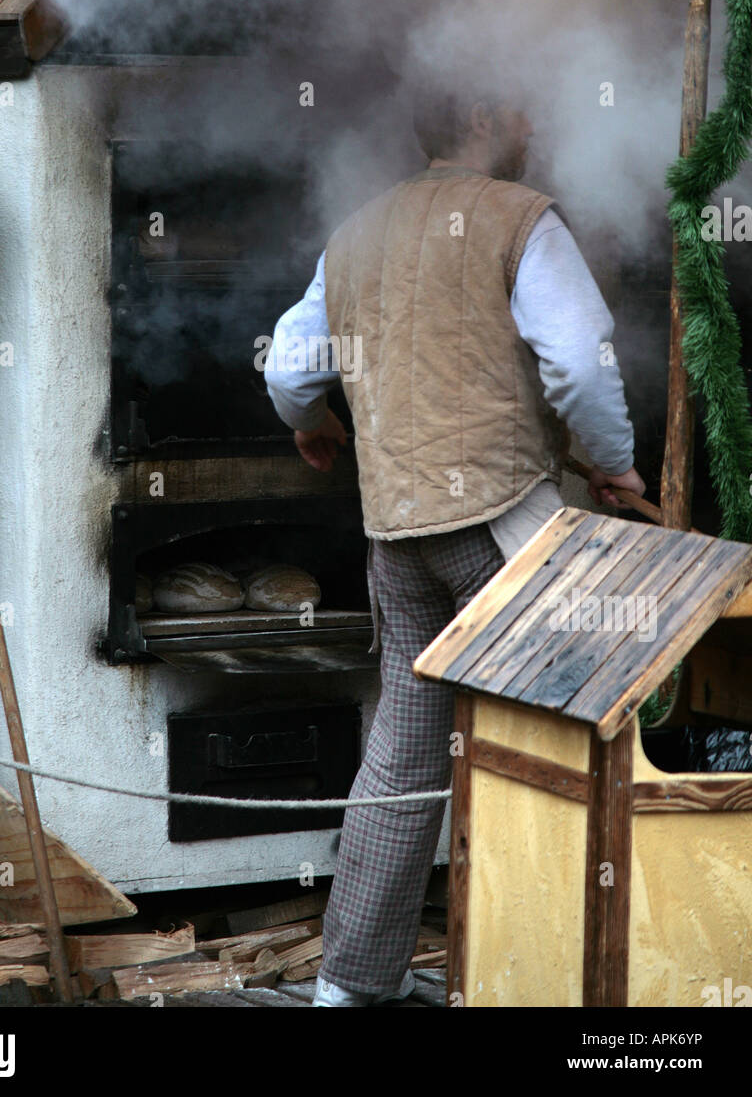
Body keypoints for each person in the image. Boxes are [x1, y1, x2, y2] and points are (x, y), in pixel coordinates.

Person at [263, 84, 645, 1007]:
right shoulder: (522, 218)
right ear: (479, 116)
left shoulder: (356, 231)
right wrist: (618, 466)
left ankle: (347, 989)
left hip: (397, 539)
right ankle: (561, 978)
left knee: (401, 755)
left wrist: (311, 422)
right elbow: (581, 355)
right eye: (520, 111)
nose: (534, 124)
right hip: (502, 530)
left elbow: (287, 366)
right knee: (582, 728)